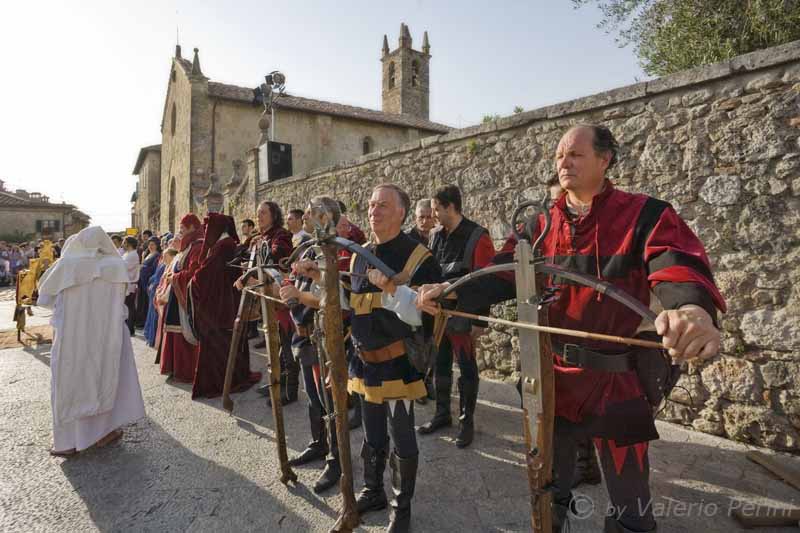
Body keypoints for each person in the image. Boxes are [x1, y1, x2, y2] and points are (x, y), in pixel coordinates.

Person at [418, 124, 724, 533]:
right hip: (554, 381)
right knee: (550, 489)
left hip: (619, 381)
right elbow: (501, 273)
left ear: (605, 159)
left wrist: (690, 309)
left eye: (576, 155)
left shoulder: (645, 214)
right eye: (560, 156)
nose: (564, 162)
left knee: (630, 503)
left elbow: (674, 261)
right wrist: (452, 292)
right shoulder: (539, 225)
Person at [294, 183, 442, 533]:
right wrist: (320, 278)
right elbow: (350, 303)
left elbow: (426, 316)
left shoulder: (418, 257)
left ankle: (400, 508)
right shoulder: (360, 253)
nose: (374, 210)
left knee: (401, 436)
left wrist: (393, 289)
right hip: (364, 361)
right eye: (372, 205)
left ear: (402, 213)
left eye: (384, 206)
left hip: (397, 363)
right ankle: (373, 490)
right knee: (372, 433)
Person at [37, 227, 146, 456]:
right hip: (107, 335)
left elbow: (45, 299)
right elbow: (124, 297)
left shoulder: (67, 266)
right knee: (105, 378)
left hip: (72, 336)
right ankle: (103, 432)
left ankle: (69, 442)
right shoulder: (115, 266)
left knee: (70, 381)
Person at [417, 185, 495, 448]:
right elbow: (431, 274)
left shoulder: (477, 236)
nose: (434, 214)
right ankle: (442, 415)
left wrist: (480, 321)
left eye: (437, 209)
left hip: (464, 314)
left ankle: (466, 422)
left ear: (450, 207)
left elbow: (486, 282)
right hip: (439, 316)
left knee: (467, 367)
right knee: (440, 365)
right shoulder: (436, 235)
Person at [279, 197, 346, 493]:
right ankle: (318, 444)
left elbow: (334, 299)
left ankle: (336, 460)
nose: (306, 216)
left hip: (325, 337)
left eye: (313, 213)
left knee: (330, 402)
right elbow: (298, 285)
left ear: (327, 217)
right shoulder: (308, 248)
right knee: (314, 399)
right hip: (304, 335)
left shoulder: (339, 250)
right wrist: (288, 288)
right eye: (307, 212)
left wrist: (300, 293)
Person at [190, 213, 261, 398]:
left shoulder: (223, 245)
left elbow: (204, 274)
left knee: (221, 343)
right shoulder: (224, 243)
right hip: (224, 301)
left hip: (221, 305)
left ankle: (223, 381)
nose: (205, 231)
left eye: (207, 227)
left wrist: (194, 278)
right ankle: (231, 378)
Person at [234, 201, 298, 404]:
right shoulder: (261, 238)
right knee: (275, 341)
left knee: (286, 343)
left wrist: (256, 264)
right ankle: (276, 381)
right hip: (266, 297)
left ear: (273, 216)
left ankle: (290, 390)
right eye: (258, 212)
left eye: (263, 213)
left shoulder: (281, 235)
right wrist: (250, 263)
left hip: (280, 297)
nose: (259, 216)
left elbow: (278, 257)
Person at [161, 214, 204, 382]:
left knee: (184, 333)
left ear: (192, 227)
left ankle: (185, 370)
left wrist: (176, 278)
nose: (180, 233)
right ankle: (175, 368)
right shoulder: (188, 247)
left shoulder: (198, 247)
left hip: (184, 295)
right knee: (174, 331)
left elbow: (195, 272)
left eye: (182, 229)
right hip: (177, 294)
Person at [145, 247, 174, 347]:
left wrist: (159, 291)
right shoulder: (165, 265)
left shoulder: (169, 266)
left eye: (166, 256)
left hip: (161, 295)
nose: (164, 258)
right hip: (157, 292)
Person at [136, 237, 161, 328]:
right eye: (149, 244)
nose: (150, 246)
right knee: (142, 302)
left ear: (157, 245)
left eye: (153, 245)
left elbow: (154, 270)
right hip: (142, 281)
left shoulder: (157, 256)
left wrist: (144, 269)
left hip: (148, 282)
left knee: (146, 303)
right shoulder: (148, 254)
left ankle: (144, 321)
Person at [121, 236, 140, 336]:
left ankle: (130, 328)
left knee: (130, 307)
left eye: (124, 242)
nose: (123, 244)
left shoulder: (133, 254)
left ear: (129, 243)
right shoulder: (126, 254)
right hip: (126, 283)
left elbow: (125, 267)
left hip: (130, 284)